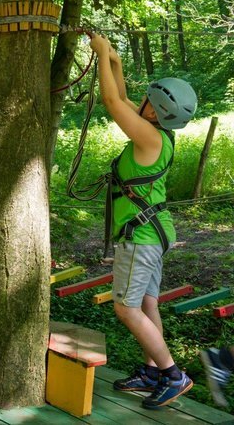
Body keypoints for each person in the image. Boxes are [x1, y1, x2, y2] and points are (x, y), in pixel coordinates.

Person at [90, 34, 197, 409]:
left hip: (142, 236)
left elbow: (111, 101)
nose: (142, 102)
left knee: (126, 308)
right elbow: (120, 98)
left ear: (156, 110)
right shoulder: (158, 134)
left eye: (148, 100)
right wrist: (114, 62)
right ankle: (152, 372)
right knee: (148, 304)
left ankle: (172, 374)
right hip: (154, 230)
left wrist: (102, 54)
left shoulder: (148, 137)